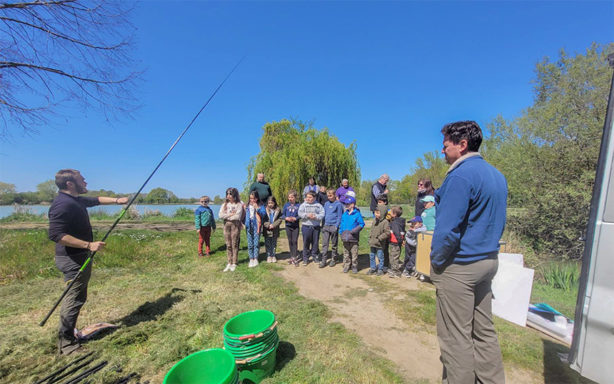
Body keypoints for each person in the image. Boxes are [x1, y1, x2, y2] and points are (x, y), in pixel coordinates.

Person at [430, 120, 508, 384]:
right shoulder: (496, 175)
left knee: (456, 337)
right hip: (487, 260)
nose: (442, 151)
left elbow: (446, 230)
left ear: (462, 145)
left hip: (460, 266)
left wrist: (437, 263)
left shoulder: (460, 176)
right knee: (484, 330)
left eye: (445, 146)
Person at [47, 169, 129, 355]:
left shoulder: (75, 200)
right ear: (70, 184)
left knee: (78, 296)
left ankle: (68, 333)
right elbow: (55, 235)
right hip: (72, 259)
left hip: (78, 257)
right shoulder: (63, 204)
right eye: (81, 180)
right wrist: (88, 245)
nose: (85, 182)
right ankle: (67, 344)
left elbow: (96, 200)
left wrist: (118, 201)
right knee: (74, 298)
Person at [218, 187, 244, 272]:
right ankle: (229, 262)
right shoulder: (224, 205)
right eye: (227, 194)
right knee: (228, 244)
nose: (228, 196)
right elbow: (220, 215)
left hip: (235, 226)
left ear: (234, 195)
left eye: (230, 194)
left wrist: (228, 216)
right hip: (226, 226)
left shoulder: (239, 204)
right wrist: (230, 215)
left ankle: (234, 262)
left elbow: (237, 216)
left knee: (234, 244)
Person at [339, 195, 365, 273]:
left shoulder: (357, 214)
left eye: (348, 204)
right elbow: (342, 224)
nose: (346, 205)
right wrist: (341, 232)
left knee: (354, 253)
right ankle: (347, 265)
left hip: (353, 238)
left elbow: (361, 224)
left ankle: (354, 266)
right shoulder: (344, 214)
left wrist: (354, 231)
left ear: (353, 204)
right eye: (345, 204)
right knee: (346, 253)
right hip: (345, 237)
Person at [298, 191, 325, 265]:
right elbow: (300, 213)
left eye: (310, 197)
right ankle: (305, 258)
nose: (308, 199)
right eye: (307, 197)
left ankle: (315, 256)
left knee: (315, 243)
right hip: (306, 226)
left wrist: (316, 217)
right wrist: (307, 215)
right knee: (306, 242)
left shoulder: (318, 205)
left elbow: (322, 214)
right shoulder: (303, 205)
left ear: (314, 198)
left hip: (316, 227)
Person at [320, 188, 343, 268]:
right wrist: (323, 225)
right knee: (325, 244)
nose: (329, 197)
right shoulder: (326, 204)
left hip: (333, 226)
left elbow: (340, 216)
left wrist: (336, 226)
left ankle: (333, 259)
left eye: (331, 196)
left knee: (334, 244)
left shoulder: (338, 204)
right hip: (326, 226)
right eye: (328, 196)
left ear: (335, 195)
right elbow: (324, 215)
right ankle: (324, 260)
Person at [367, 205, 389, 276]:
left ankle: (380, 269)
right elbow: (372, 230)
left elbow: (387, 233)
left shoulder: (385, 222)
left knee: (380, 257)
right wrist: (370, 238)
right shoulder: (374, 220)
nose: (376, 214)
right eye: (375, 213)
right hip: (372, 242)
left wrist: (380, 238)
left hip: (379, 244)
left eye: (378, 213)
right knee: (372, 256)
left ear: (382, 213)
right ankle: (373, 268)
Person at [245, 191, 264, 268]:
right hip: (249, 225)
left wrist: (257, 208)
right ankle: (251, 258)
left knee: (256, 243)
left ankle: (255, 258)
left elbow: (263, 214)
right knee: (250, 243)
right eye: (251, 198)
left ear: (257, 198)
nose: (252, 200)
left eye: (254, 198)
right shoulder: (247, 206)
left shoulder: (260, 206)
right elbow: (243, 215)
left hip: (257, 226)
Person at [282, 190, 301, 266]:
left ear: (295, 197)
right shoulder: (286, 205)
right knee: (290, 241)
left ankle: (295, 256)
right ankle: (291, 256)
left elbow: (300, 215)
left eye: (292, 197)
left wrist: (295, 218)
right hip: (288, 226)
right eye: (289, 197)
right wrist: (286, 218)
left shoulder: (298, 205)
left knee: (295, 241)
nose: (290, 198)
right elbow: (282, 215)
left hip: (295, 226)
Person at [262, 196, 282, 263]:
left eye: (272, 203)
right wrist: (268, 225)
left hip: (275, 230)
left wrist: (273, 225)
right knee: (267, 243)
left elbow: (280, 219)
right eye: (269, 203)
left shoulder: (278, 210)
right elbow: (263, 219)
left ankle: (273, 255)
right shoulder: (265, 210)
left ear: (274, 203)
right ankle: (268, 256)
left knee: (273, 243)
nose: (270, 204)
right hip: (267, 230)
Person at [387, 206, 406, 278]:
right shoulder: (397, 221)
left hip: (396, 242)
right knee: (393, 256)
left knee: (394, 257)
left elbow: (397, 233)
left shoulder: (395, 222)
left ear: (394, 214)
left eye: (391, 212)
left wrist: (400, 241)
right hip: (394, 242)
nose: (389, 213)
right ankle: (393, 269)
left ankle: (396, 272)